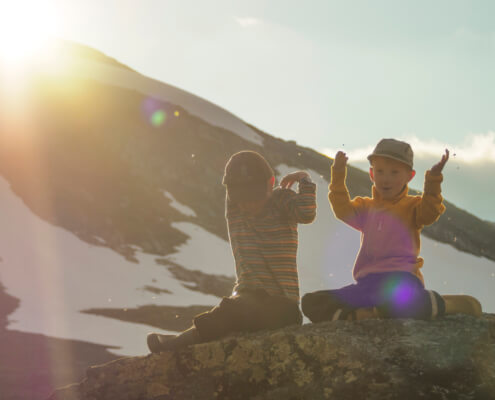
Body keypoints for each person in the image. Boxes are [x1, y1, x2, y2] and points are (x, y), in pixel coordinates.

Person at [147, 150, 317, 352]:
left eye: (255, 197)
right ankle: (189, 338)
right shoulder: (236, 212)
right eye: (242, 199)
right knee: (232, 309)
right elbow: (232, 187)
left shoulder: (281, 202)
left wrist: (303, 178)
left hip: (282, 306)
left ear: (271, 184)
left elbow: (307, 213)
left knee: (232, 312)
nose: (249, 204)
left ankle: (183, 340)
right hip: (245, 297)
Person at [302, 138, 482, 322]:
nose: (386, 179)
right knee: (311, 301)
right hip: (368, 284)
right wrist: (338, 175)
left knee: (398, 301)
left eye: (394, 173)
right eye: (380, 171)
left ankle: (441, 305)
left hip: (401, 281)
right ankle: (366, 313)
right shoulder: (366, 207)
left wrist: (433, 181)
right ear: (372, 174)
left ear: (409, 176)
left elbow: (430, 212)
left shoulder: (413, 206)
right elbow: (342, 210)